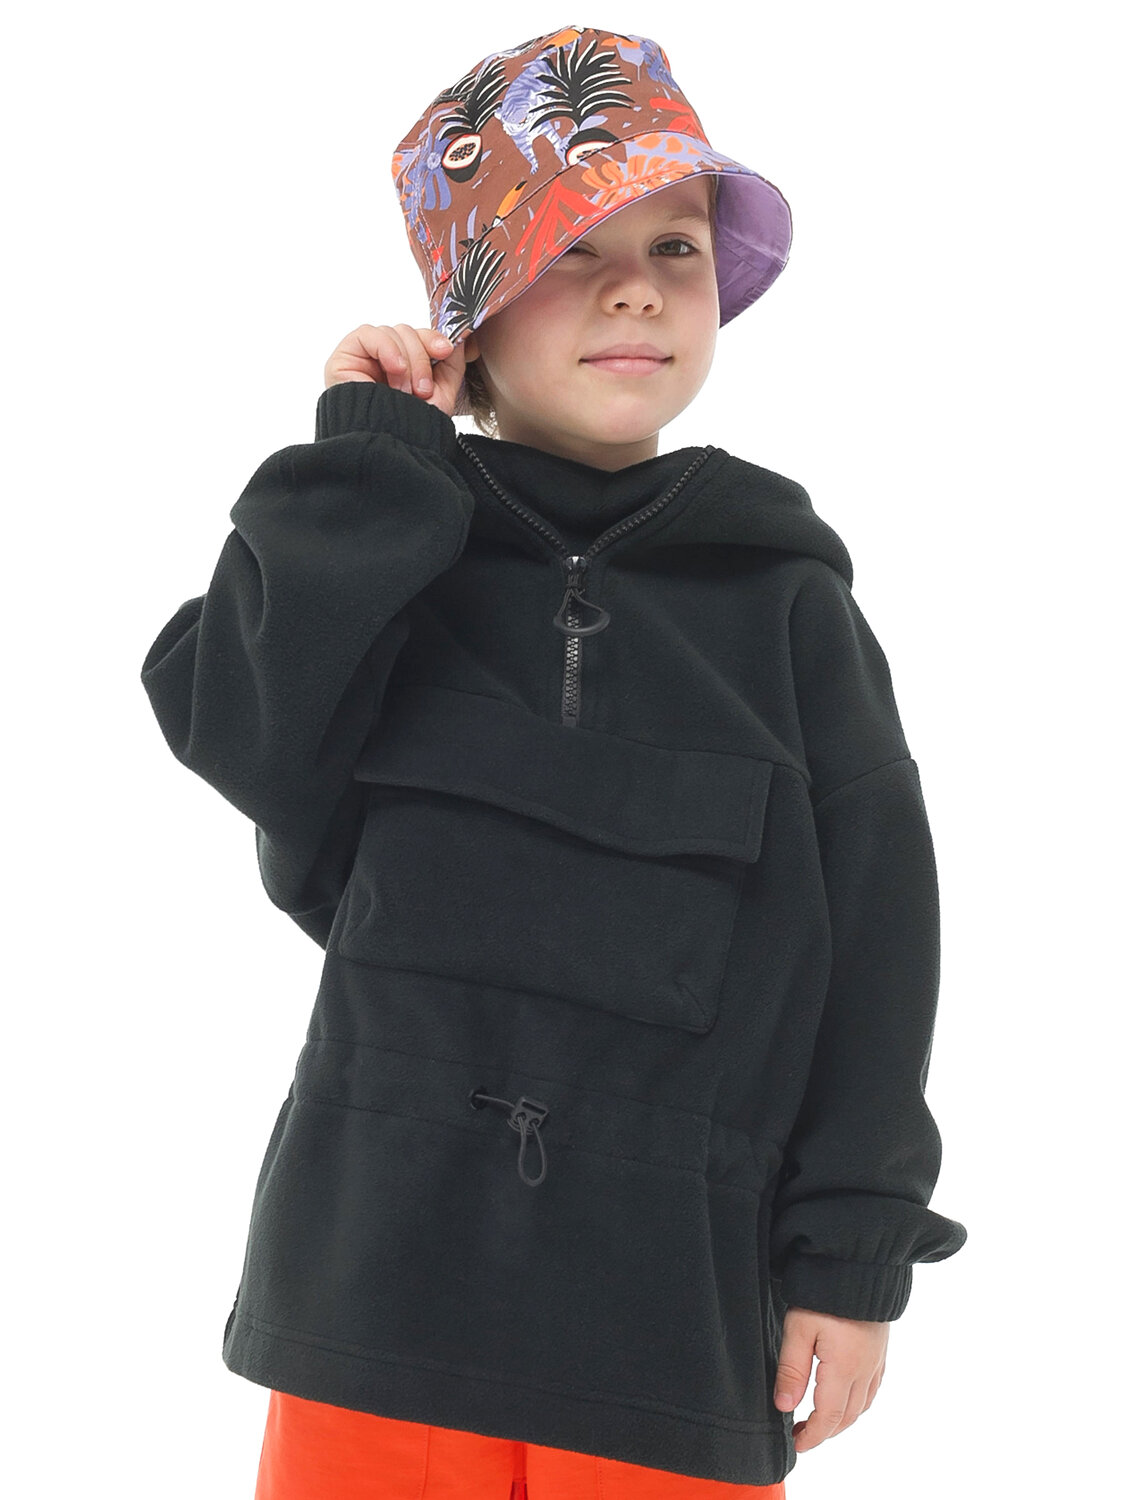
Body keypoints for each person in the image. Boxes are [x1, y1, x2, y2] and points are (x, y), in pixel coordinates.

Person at [139, 23, 968, 1500]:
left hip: (671, 1314)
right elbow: (246, 732)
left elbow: (879, 950)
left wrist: (849, 1262)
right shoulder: (384, 548)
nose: (637, 286)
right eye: (571, 248)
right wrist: (370, 455)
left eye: (675, 248)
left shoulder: (788, 608)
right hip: (375, 1299)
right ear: (465, 311)